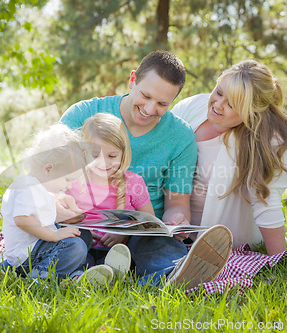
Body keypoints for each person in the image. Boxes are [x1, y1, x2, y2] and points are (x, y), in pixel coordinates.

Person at [60, 50, 232, 288]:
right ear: (133, 80)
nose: (150, 109)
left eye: (162, 103)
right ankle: (84, 275)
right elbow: (49, 177)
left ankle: (171, 275)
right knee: (63, 241)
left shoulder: (180, 136)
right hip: (79, 226)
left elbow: (177, 200)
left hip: (140, 233)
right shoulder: (83, 115)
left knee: (161, 246)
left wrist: (175, 219)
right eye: (146, 96)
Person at [0, 124, 130, 284]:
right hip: (24, 258)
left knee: (82, 236)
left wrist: (72, 218)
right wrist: (55, 235)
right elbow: (23, 220)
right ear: (48, 169)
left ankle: (81, 274)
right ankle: (39, 279)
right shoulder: (25, 186)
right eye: (68, 180)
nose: (68, 186)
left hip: (38, 248)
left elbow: (45, 216)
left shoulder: (41, 188)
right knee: (75, 247)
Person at [171, 60, 287, 255]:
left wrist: (278, 259)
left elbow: (266, 202)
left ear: (251, 112)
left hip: (219, 240)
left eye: (231, 104)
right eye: (218, 92)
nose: (218, 105)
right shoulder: (193, 107)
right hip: (172, 223)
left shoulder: (267, 141)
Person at [66, 113, 155, 263]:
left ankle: (108, 271)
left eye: (112, 156)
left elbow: (151, 222)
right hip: (81, 247)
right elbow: (58, 217)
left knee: (147, 245)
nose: (104, 163)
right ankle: (84, 273)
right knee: (75, 248)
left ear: (123, 153)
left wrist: (124, 233)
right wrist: (83, 233)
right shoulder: (72, 180)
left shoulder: (133, 182)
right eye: (95, 155)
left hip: (119, 251)